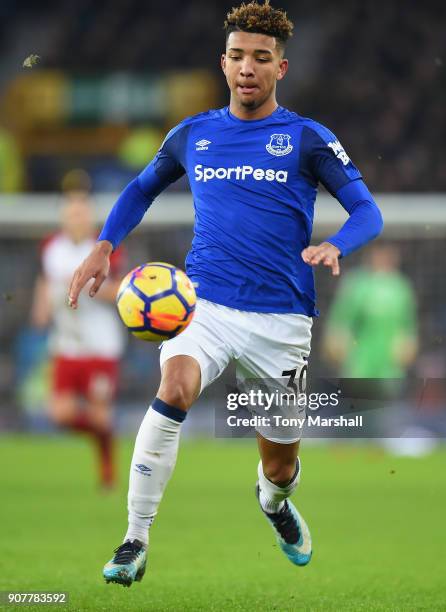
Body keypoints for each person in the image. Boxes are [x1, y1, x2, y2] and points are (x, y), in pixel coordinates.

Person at [68, 1, 383, 586]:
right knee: (174, 387)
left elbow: (368, 211)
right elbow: (140, 189)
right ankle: (135, 538)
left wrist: (337, 243)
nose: (248, 68)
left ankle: (273, 501)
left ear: (279, 69)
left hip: (282, 320)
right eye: (238, 56)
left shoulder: (306, 139)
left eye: (261, 58)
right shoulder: (193, 135)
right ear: (224, 62)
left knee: (281, 463)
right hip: (203, 305)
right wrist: (104, 244)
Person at [31, 181, 125, 488]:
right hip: (66, 344)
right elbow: (46, 280)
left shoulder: (104, 249)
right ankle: (105, 435)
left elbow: (121, 293)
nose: (76, 218)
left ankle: (107, 468)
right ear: (63, 216)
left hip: (101, 345)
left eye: (82, 213)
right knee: (60, 415)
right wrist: (41, 307)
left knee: (99, 415)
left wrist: (89, 286)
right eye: (71, 213)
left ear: (91, 218)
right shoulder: (51, 247)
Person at [323, 243, 417, 379]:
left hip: (389, 362)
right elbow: (341, 320)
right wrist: (336, 340)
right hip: (359, 360)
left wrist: (408, 343)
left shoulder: (401, 287)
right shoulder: (357, 284)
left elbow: (408, 325)